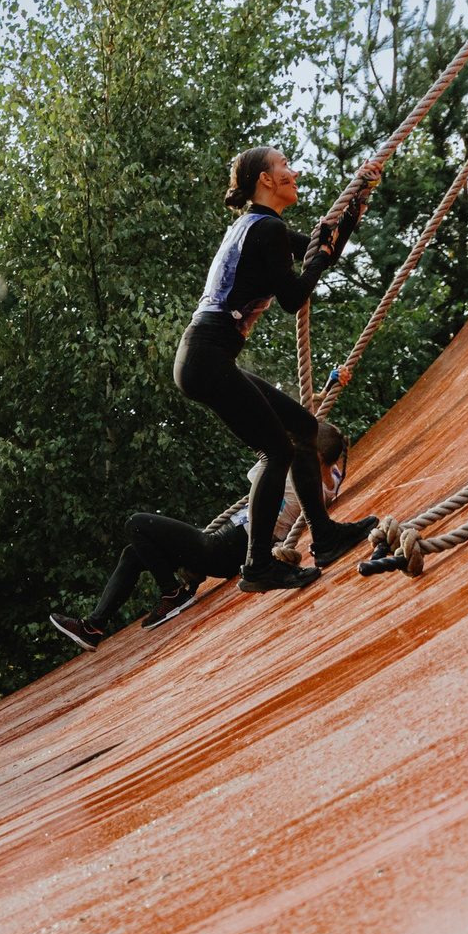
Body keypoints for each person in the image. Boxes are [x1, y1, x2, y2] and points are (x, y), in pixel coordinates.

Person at [175, 146, 381, 591]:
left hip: (204, 356)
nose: (293, 171)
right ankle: (257, 566)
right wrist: (321, 259)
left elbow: (318, 252)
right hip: (206, 356)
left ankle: (324, 536)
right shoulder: (266, 228)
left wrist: (354, 207)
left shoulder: (257, 226)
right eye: (284, 165)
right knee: (278, 450)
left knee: (303, 428)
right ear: (265, 181)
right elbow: (294, 296)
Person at [50, 424, 350, 651]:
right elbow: (329, 472)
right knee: (133, 553)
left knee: (137, 524)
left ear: (314, 455)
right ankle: (92, 627)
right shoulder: (326, 481)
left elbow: (267, 458)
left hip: (231, 545)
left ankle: (172, 594)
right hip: (226, 544)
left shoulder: (290, 470)